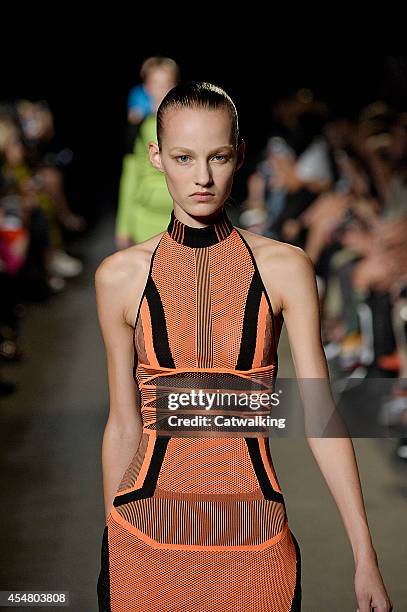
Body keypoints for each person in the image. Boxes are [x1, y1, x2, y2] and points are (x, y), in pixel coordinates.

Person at [95, 82, 393, 611]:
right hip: (142, 541)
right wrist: (114, 550)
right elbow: (123, 424)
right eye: (184, 157)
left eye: (219, 156)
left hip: (257, 544)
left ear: (241, 155)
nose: (203, 177)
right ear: (157, 157)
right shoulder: (119, 277)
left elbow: (322, 417)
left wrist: (364, 555)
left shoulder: (285, 267)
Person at [115, 56, 180, 250]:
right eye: (156, 84)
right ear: (146, 88)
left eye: (166, 84)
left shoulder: (187, 125)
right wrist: (123, 227)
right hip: (144, 216)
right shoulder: (137, 128)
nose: (161, 90)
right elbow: (130, 176)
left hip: (181, 215)